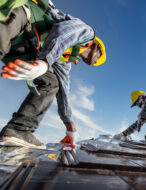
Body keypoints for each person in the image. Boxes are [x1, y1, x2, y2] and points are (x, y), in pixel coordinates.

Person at [0, 0, 106, 149]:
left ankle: (19, 130)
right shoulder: (87, 33)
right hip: (22, 17)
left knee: (52, 83)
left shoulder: (65, 60)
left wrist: (70, 127)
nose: (94, 61)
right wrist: (45, 62)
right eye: (97, 57)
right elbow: (64, 31)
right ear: (96, 46)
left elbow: (64, 92)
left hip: (21, 46)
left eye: (94, 63)